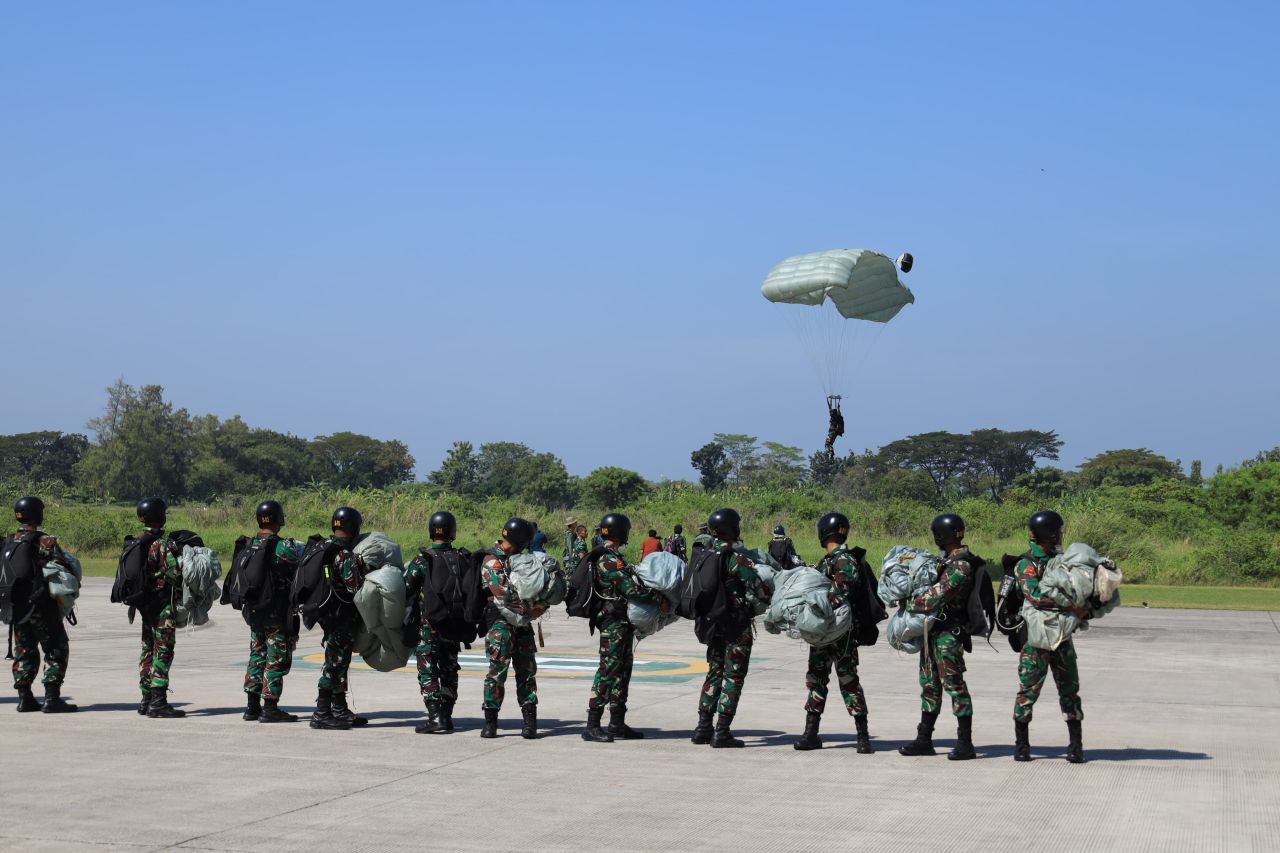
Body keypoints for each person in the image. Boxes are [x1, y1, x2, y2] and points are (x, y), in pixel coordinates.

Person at [898, 513, 978, 760]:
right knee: (929, 686)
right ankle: (924, 739)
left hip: (949, 636)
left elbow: (936, 596)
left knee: (954, 685)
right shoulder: (944, 562)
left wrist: (909, 600)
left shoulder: (961, 565)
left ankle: (965, 743)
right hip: (933, 632)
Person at [690, 508, 771, 748]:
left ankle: (703, 728)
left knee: (714, 673)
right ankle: (722, 731)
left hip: (711, 626)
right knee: (733, 677)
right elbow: (759, 585)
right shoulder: (733, 558)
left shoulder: (702, 555)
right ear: (732, 529)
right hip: (735, 626)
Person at [582, 513, 666, 743]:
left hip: (622, 622)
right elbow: (631, 589)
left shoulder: (612, 556)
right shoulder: (608, 560)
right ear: (621, 532)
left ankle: (617, 723)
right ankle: (592, 725)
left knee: (622, 671)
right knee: (608, 670)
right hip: (613, 623)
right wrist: (657, 597)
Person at [793, 512, 872, 753]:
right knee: (816, 679)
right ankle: (811, 733)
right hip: (823, 631)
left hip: (841, 632)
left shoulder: (845, 560)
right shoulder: (826, 562)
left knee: (848, 680)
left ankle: (862, 737)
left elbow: (840, 594)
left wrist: (812, 602)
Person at [1012, 510, 1087, 763]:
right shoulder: (1026, 564)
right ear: (1050, 533)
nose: (1062, 534)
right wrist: (1071, 605)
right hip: (1037, 640)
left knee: (1070, 690)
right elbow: (1035, 597)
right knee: (1027, 692)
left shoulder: (1062, 560)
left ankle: (1076, 746)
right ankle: (1021, 745)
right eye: (1059, 530)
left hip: (1062, 638)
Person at [4, 496, 77, 713]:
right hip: (41, 606)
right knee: (56, 648)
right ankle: (52, 697)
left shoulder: (9, 541)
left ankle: (24, 697)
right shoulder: (45, 541)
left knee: (24, 650)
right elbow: (64, 566)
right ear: (37, 514)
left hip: (17, 608)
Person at [479, 517, 544, 739]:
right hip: (500, 624)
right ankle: (491, 722)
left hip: (522, 626)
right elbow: (502, 593)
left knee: (527, 672)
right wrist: (531, 611)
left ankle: (529, 722)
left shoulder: (518, 560)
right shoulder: (492, 561)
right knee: (497, 673)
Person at [403, 510, 466, 734]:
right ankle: (447, 716)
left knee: (428, 669)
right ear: (452, 531)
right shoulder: (461, 558)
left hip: (428, 625)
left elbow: (406, 587)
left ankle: (435, 716)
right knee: (450, 669)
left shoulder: (423, 559)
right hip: (454, 626)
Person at [239, 499, 302, 723]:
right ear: (278, 519)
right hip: (276, 611)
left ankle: (251, 706)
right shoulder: (281, 547)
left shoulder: (249, 544)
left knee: (257, 655)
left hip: (255, 611)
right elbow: (300, 564)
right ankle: (270, 707)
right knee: (275, 657)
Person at [310, 506, 367, 731]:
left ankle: (340, 709)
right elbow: (356, 588)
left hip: (327, 614)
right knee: (334, 664)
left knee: (339, 662)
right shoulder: (343, 555)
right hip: (339, 617)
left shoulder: (324, 547)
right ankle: (322, 713)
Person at [133, 497, 185, 719]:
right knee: (163, 650)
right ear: (159, 517)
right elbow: (174, 574)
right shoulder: (160, 545)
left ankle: (145, 699)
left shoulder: (137, 542)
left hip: (145, 606)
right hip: (162, 606)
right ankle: (158, 702)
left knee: (147, 649)